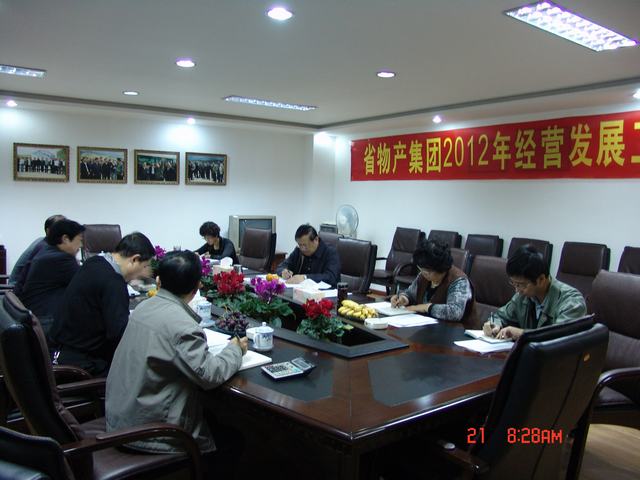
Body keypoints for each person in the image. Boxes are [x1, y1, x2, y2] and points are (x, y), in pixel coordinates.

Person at [106, 250, 247, 471]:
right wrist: (235, 350)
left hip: (121, 418)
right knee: (234, 440)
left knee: (213, 418)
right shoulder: (183, 326)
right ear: (197, 287)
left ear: (158, 281)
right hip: (150, 433)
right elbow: (210, 375)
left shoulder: (143, 307)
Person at [50, 232, 155, 376]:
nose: (143, 273)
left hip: (61, 349)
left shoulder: (94, 262)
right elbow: (119, 335)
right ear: (135, 259)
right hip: (83, 364)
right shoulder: (113, 282)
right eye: (145, 266)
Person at [482, 244, 587, 341]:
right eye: (513, 283)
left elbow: (559, 338)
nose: (517, 290)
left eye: (521, 285)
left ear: (541, 279)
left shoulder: (572, 301)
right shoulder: (523, 296)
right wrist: (493, 324)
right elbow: (501, 316)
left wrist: (522, 334)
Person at [390, 239, 478, 326]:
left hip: (455, 329)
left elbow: (454, 312)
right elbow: (410, 293)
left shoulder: (459, 280)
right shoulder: (424, 275)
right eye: (421, 269)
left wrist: (426, 307)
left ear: (440, 268)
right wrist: (404, 298)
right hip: (427, 326)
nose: (423, 273)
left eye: (427, 271)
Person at [19, 219, 84, 334]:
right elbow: (86, 284)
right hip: (47, 321)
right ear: (65, 239)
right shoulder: (62, 259)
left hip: (36, 315)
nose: (81, 245)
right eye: (79, 240)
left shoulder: (46, 250)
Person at [10, 214, 66, 295]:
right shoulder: (45, 248)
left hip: (21, 287)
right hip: (18, 290)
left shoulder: (42, 241)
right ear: (48, 231)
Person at [276, 224, 341, 288]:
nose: (302, 249)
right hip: (300, 291)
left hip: (324, 293)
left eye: (305, 245)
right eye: (300, 245)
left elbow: (331, 277)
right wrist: (283, 272)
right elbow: (281, 266)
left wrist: (305, 277)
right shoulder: (298, 250)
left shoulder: (330, 253)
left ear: (316, 239)